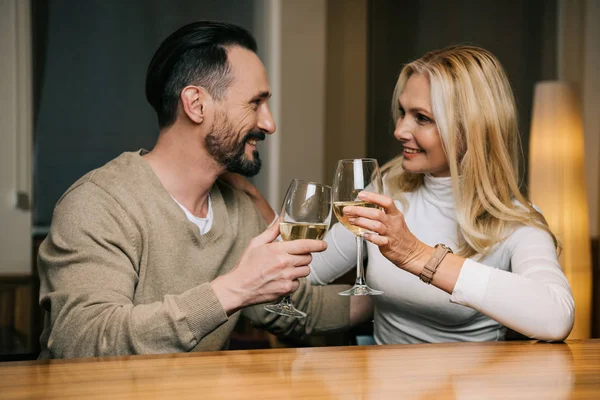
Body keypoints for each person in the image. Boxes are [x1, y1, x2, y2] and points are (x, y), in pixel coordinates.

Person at [37, 21, 362, 359]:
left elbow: (295, 309)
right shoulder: (98, 203)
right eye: (255, 103)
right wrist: (232, 290)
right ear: (196, 104)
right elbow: (82, 341)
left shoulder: (236, 209)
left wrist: (404, 294)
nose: (269, 123)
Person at [306, 45, 575, 343]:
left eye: (421, 118)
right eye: (402, 112)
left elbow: (556, 318)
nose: (400, 130)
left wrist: (416, 254)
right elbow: (307, 271)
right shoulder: (386, 194)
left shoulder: (516, 222)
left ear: (471, 128)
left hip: (469, 388)